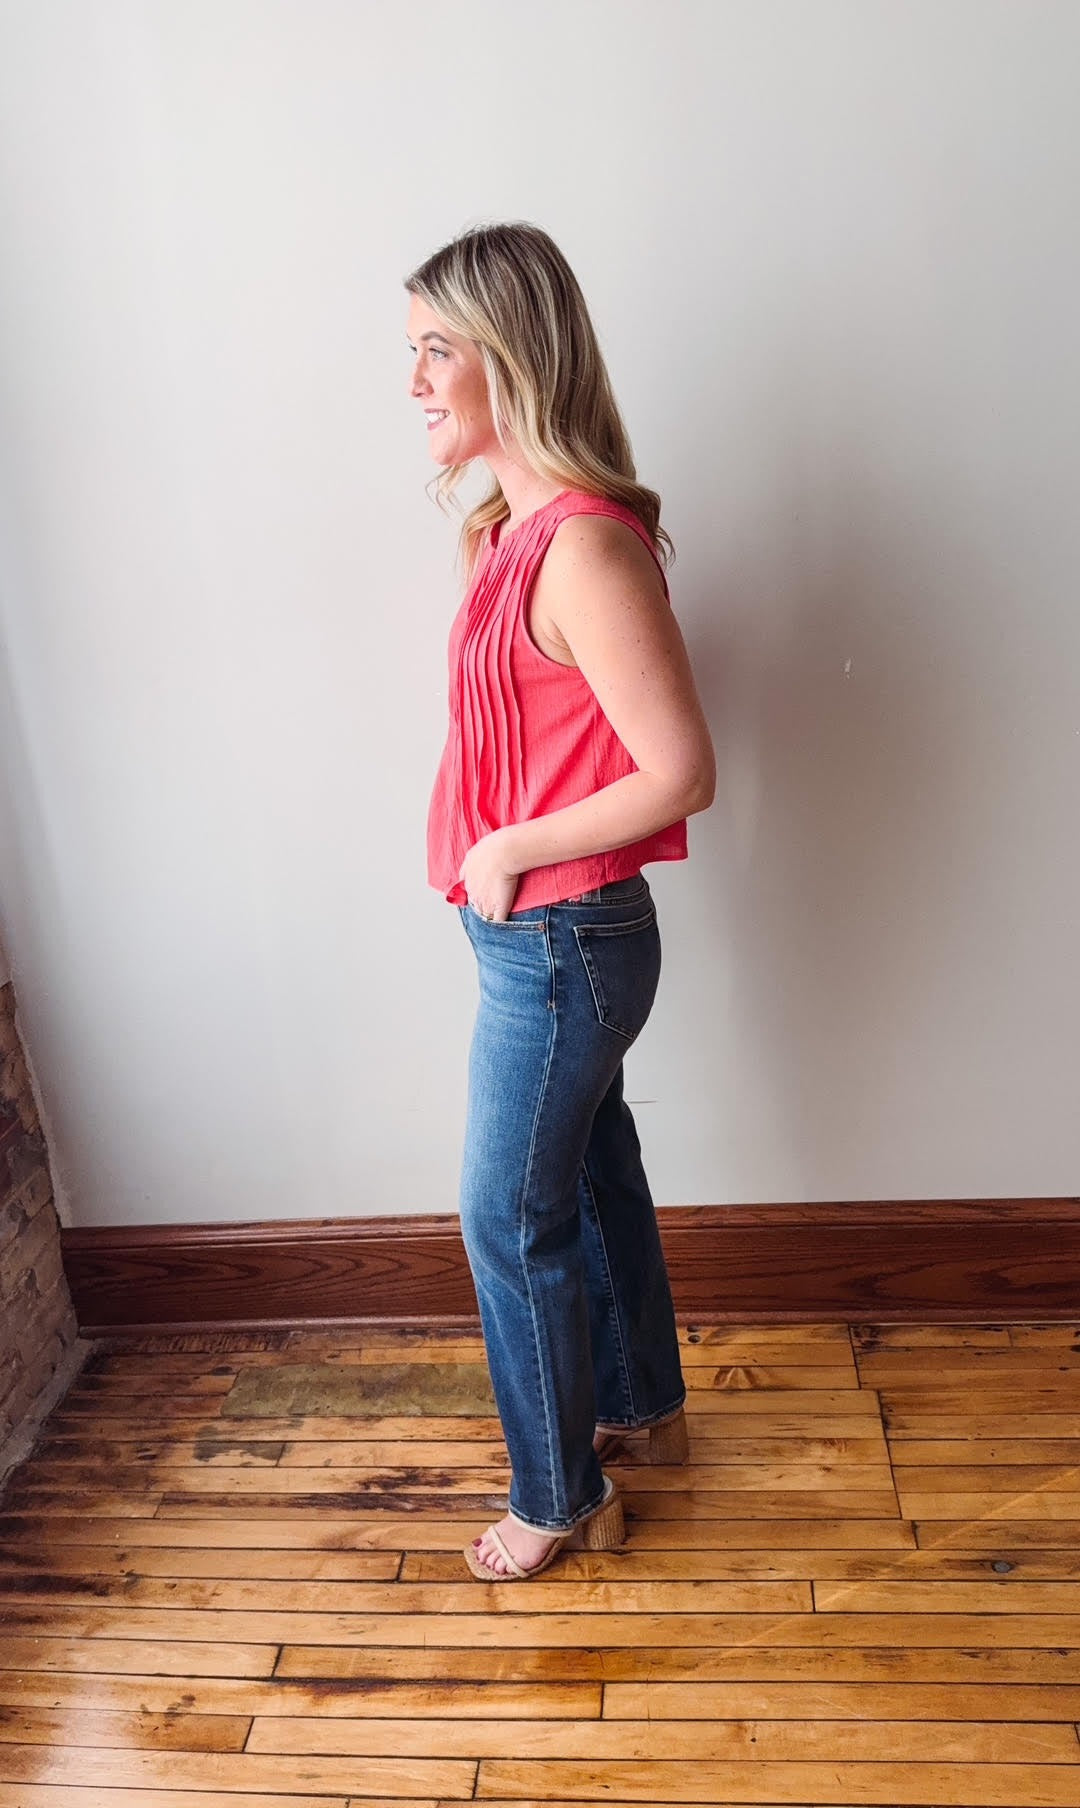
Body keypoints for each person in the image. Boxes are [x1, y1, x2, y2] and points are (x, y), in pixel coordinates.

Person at [404, 222, 715, 1581]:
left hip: (562, 940)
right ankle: (639, 1403)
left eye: (434, 350)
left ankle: (558, 1495)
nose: (412, 381)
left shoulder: (583, 547)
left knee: (506, 1216)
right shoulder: (509, 530)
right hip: (539, 937)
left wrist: (509, 844)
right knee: (589, 1173)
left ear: (508, 360)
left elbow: (683, 772)